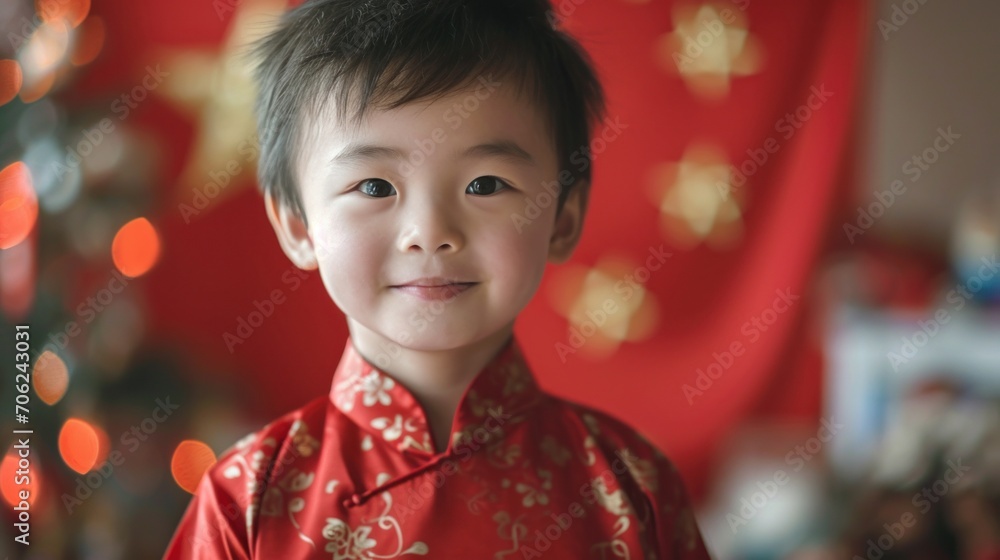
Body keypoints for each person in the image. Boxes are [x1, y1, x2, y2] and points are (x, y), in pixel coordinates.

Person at [164, 0, 711, 557]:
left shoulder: (629, 486)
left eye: (486, 185)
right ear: (299, 225)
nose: (430, 232)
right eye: (375, 187)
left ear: (562, 217)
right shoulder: (247, 499)